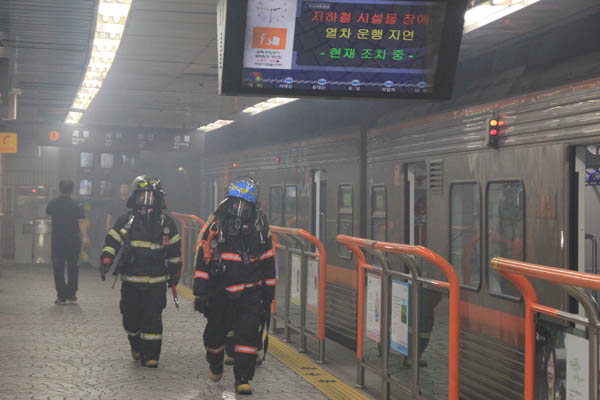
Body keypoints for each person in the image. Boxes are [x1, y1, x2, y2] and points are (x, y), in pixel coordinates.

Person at [193, 177, 275, 395]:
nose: (240, 209)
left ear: (253, 205)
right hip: (221, 292)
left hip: (250, 292)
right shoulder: (215, 225)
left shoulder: (260, 227)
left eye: (245, 205)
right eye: (236, 203)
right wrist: (200, 291)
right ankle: (215, 362)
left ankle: (243, 379)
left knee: (248, 338)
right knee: (213, 337)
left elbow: (268, 260)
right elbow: (203, 260)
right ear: (229, 202)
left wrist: (269, 292)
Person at [99, 175, 182, 368]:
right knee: (130, 318)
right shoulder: (127, 220)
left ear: (158, 199)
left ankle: (151, 355)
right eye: (142, 196)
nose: (146, 201)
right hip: (131, 280)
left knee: (153, 318)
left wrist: (175, 273)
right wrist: (106, 259)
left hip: (156, 281)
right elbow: (112, 241)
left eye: (150, 197)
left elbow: (174, 251)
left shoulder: (166, 223)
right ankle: (135, 343)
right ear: (135, 198)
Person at [46, 179, 90, 305]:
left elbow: (48, 212)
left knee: (58, 267)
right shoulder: (77, 204)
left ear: (60, 189)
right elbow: (81, 221)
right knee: (73, 266)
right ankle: (71, 293)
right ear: (72, 190)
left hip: (58, 240)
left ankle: (61, 296)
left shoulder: (53, 203)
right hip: (73, 240)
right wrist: (85, 237)